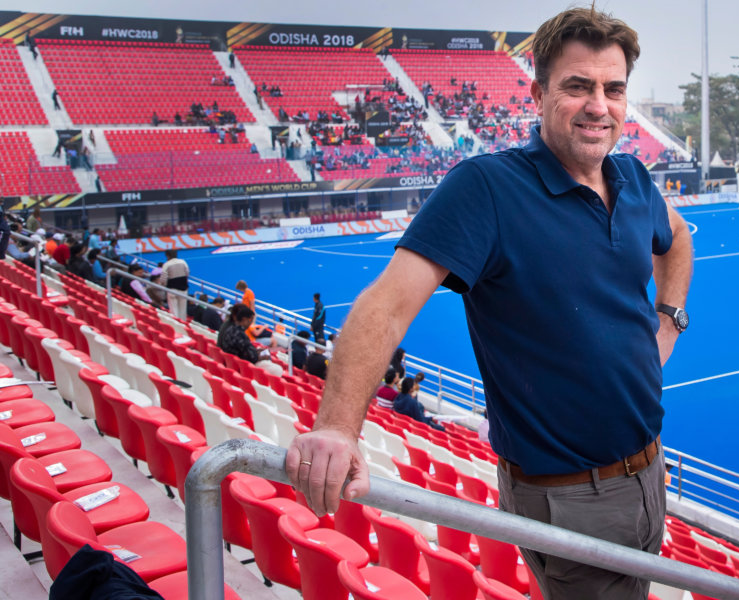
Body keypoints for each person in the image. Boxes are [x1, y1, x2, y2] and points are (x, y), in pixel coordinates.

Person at [285, 8, 693, 599]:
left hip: (648, 472)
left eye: (613, 89)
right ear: (539, 94)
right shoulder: (487, 188)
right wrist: (337, 428)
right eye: (577, 86)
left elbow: (675, 237)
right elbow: (387, 305)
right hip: (570, 496)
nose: (598, 105)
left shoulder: (632, 177)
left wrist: (669, 321)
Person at [217, 303, 282, 375]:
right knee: (277, 369)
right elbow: (252, 357)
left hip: (233, 362)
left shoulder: (229, 328)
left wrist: (255, 351)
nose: (250, 324)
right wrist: (261, 356)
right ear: (245, 319)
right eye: (250, 321)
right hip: (241, 366)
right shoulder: (239, 334)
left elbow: (243, 349)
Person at [163, 249, 190, 319]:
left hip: (172, 289)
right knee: (183, 309)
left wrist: (165, 285)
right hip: (183, 289)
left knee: (173, 310)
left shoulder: (166, 264)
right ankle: (183, 323)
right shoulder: (183, 262)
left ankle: (176, 322)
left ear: (167, 256)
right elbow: (187, 272)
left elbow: (163, 279)